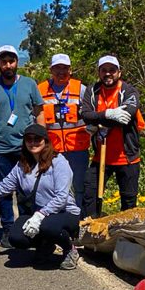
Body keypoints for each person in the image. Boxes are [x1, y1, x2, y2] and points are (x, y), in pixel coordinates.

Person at [0, 124, 81, 270]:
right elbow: (3, 188)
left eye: (37, 139)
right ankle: (45, 244)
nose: (33, 143)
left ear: (45, 141)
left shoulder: (59, 162)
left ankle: (70, 249)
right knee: (16, 237)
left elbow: (61, 197)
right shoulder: (22, 165)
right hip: (38, 215)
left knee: (48, 226)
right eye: (29, 139)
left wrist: (40, 215)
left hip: (64, 213)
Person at [0, 45, 44, 248]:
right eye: (3, 61)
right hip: (1, 148)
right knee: (4, 191)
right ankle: (8, 229)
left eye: (11, 61)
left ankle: (27, 225)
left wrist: (44, 141)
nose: (8, 65)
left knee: (27, 189)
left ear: (17, 62)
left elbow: (39, 112)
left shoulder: (29, 84)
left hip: (26, 147)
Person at [80, 55, 142, 214]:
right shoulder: (92, 91)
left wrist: (98, 119)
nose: (108, 74)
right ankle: (92, 230)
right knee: (90, 195)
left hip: (127, 157)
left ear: (119, 72)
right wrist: (107, 114)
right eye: (104, 70)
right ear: (99, 72)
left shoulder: (129, 91)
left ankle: (126, 234)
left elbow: (127, 116)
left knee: (128, 201)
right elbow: (85, 115)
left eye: (112, 70)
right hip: (100, 156)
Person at [37, 54, 90, 210]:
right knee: (53, 187)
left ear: (70, 70)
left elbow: (91, 113)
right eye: (57, 68)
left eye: (65, 68)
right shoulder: (40, 90)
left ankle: (77, 220)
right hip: (52, 150)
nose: (61, 72)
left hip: (77, 149)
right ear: (51, 70)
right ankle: (55, 220)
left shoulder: (81, 89)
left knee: (78, 187)